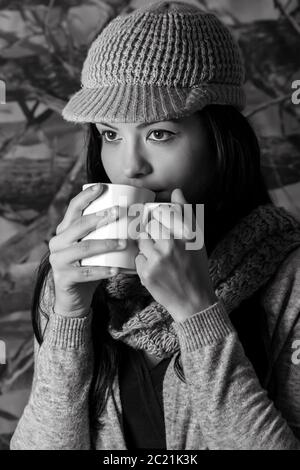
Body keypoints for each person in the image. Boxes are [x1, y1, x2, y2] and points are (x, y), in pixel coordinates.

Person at [10, 1, 300, 450]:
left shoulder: (290, 277)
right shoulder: (77, 274)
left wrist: (198, 314)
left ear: (222, 139)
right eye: (110, 134)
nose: (129, 167)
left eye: (159, 133)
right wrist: (68, 317)